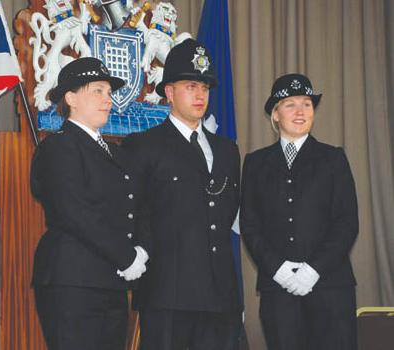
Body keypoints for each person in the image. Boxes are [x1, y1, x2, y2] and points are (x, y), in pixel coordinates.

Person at [122, 39, 242, 350]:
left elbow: (226, 214)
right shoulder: (143, 145)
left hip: (220, 295)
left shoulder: (227, 151)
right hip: (168, 295)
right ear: (169, 92)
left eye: (205, 86)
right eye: (191, 85)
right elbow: (135, 214)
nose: (200, 94)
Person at [30, 57, 149, 350]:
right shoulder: (57, 147)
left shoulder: (116, 154)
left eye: (109, 93)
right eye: (97, 91)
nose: (107, 100)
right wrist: (125, 255)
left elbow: (136, 205)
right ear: (70, 97)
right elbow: (73, 210)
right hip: (73, 281)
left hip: (111, 281)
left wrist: (142, 250)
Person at [240, 73, 359, 350]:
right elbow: (250, 224)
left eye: (306, 103)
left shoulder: (333, 159)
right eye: (290, 104)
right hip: (278, 293)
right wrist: (278, 270)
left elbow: (347, 222)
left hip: (331, 288)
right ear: (275, 114)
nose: (300, 111)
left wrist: (314, 270)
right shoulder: (256, 163)